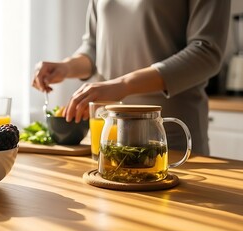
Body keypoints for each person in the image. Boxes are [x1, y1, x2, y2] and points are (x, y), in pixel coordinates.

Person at [32, 0, 231, 155]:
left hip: (168, 136)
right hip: (109, 135)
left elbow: (206, 53)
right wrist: (66, 67)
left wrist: (123, 85)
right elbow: (94, 46)